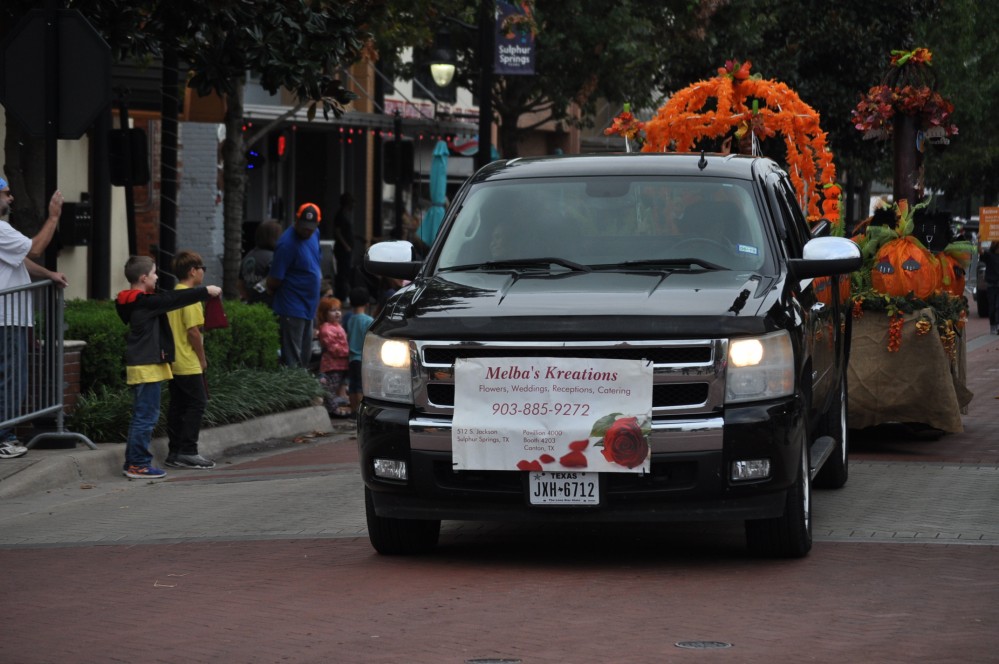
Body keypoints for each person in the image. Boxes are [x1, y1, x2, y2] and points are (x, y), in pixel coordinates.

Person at [115, 255, 221, 479]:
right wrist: (205, 291)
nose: (157, 277)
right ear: (144, 278)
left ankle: (135, 463)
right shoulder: (143, 302)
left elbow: (169, 297)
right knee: (145, 418)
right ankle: (137, 464)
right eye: (154, 273)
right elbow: (173, 298)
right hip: (146, 368)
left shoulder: (135, 300)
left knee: (144, 416)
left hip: (145, 367)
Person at [0, 175, 68, 459]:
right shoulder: (1, 229)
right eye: (6, 193)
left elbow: (20, 258)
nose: (11, 198)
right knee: (12, 378)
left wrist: (48, 274)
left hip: (11, 316)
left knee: (12, 376)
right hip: (7, 318)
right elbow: (35, 248)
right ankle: (5, 437)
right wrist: (53, 217)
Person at [165, 251, 216, 469]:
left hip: (173, 361)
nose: (204, 272)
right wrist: (202, 359)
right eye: (202, 268)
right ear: (192, 271)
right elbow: (193, 331)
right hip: (188, 361)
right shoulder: (193, 297)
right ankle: (188, 450)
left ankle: (174, 451)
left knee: (177, 405)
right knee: (198, 403)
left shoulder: (174, 294)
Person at [267, 203, 323, 368]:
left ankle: (302, 389)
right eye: (304, 227)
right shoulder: (286, 244)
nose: (307, 231)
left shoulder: (315, 234)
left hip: (309, 305)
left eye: (311, 228)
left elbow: (316, 261)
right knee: (293, 357)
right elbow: (275, 278)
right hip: (292, 306)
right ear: (296, 220)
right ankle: (293, 390)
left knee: (305, 354)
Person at [315, 297, 351, 418]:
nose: (337, 313)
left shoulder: (337, 326)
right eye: (332, 310)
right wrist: (349, 352)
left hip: (341, 365)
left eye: (339, 310)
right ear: (324, 314)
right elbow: (334, 349)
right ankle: (333, 410)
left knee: (334, 388)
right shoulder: (326, 328)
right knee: (329, 389)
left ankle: (334, 407)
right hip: (331, 366)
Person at [238, 219, 282, 305]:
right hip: (268, 306)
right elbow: (275, 283)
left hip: (252, 305)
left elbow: (240, 283)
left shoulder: (249, 255)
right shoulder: (273, 257)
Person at [345, 285, 374, 415]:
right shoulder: (368, 320)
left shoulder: (349, 319)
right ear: (367, 303)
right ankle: (360, 413)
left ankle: (352, 410)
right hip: (363, 359)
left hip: (351, 358)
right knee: (361, 387)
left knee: (352, 385)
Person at [332, 193, 355, 301]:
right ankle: (341, 295)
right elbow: (338, 232)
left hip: (346, 249)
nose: (353, 205)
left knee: (346, 271)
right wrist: (346, 246)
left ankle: (344, 294)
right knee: (342, 272)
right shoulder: (340, 215)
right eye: (351, 202)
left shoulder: (345, 215)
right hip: (342, 250)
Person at [982, 242, 999, 334]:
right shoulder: (989, 255)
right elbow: (980, 252)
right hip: (991, 286)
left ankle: (998, 324)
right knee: (992, 307)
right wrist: (979, 241)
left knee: (998, 306)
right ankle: (993, 325)